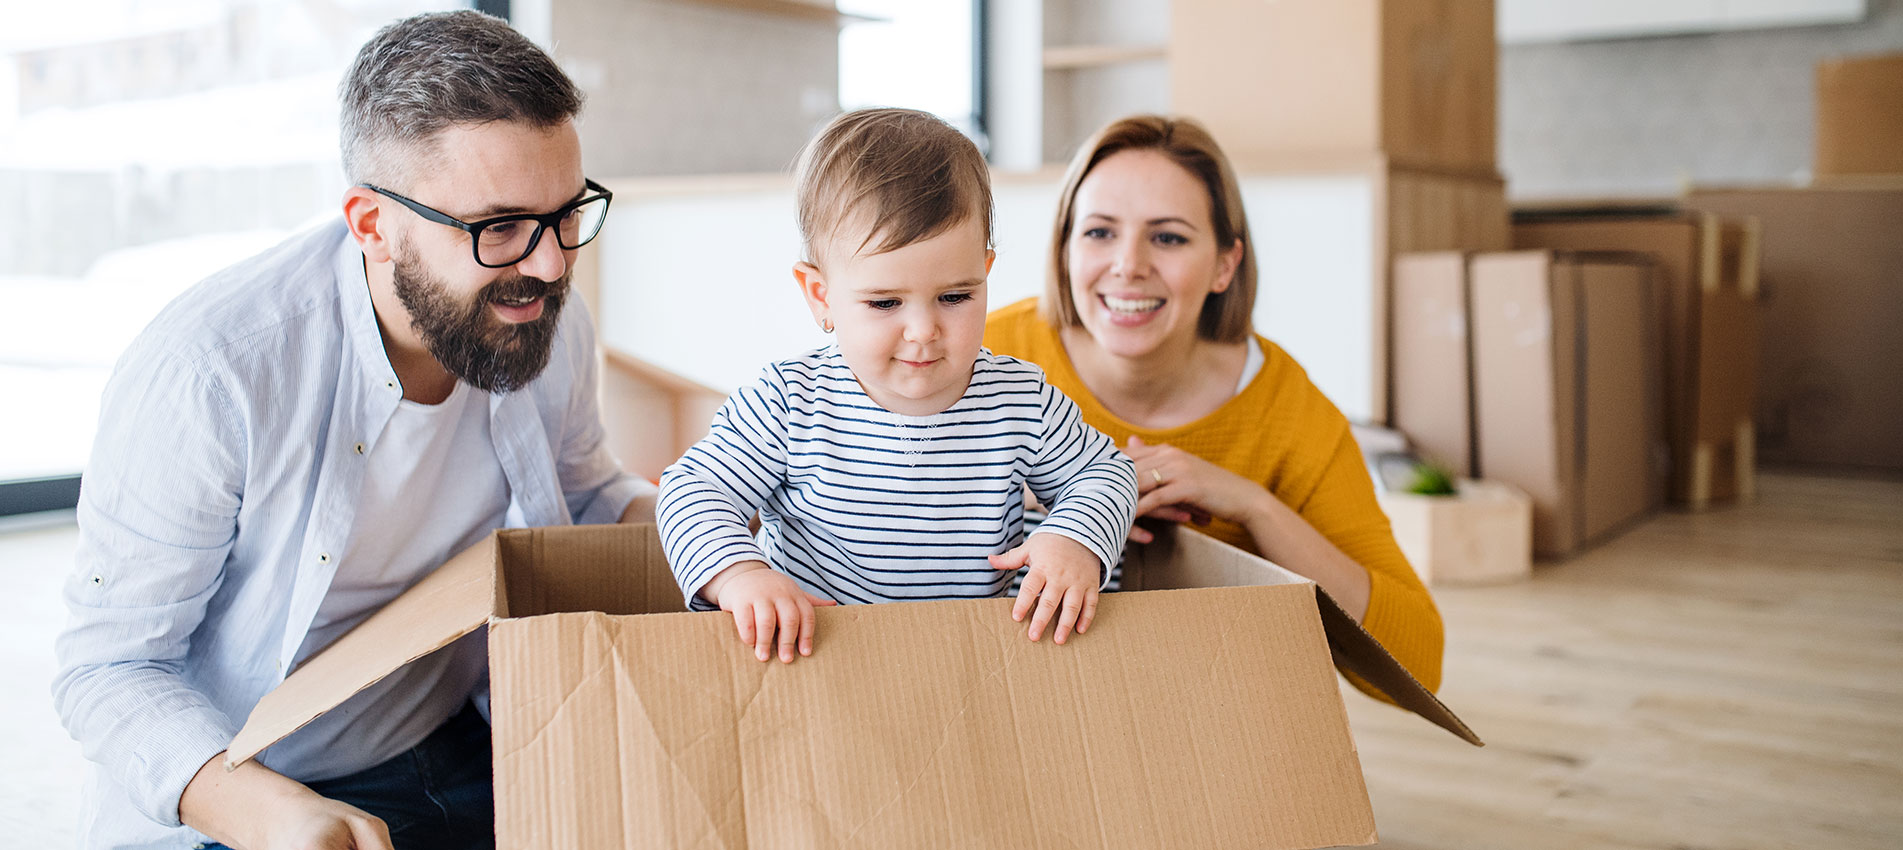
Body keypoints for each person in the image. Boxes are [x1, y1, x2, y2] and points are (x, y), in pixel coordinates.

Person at [51, 11, 656, 850]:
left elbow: (586, 492)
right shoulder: (212, 371)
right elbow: (109, 669)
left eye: (566, 216)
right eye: (500, 228)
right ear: (373, 225)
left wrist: (719, 538)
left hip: (462, 727)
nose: (550, 264)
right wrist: (265, 812)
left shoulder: (541, 314)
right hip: (258, 775)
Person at [656, 108, 1138, 664]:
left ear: (986, 273)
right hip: (816, 654)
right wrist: (740, 576)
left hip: (970, 662)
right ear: (820, 295)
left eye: (955, 297)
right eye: (885, 303)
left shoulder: (1018, 400)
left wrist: (1073, 539)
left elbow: (1106, 473)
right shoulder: (790, 400)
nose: (923, 330)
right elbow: (692, 490)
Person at [984, 114, 1444, 694]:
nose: (1128, 264)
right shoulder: (986, 357)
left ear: (1225, 264)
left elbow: (1418, 660)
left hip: (1202, 710)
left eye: (1168, 237)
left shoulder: (1287, 410)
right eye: (1099, 232)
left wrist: (1253, 507)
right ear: (1065, 249)